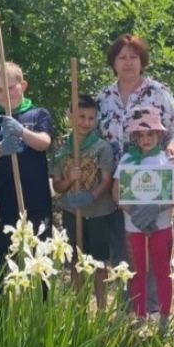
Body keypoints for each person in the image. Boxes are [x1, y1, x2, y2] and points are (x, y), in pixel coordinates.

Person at [96, 33, 174, 313]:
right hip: (117, 181)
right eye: (121, 57)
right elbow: (94, 136)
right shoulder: (103, 97)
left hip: (154, 179)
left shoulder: (158, 91)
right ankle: (131, 308)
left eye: (133, 57)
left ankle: (156, 308)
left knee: (156, 246)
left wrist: (171, 148)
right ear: (113, 63)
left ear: (142, 61)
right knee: (125, 248)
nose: (128, 62)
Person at [0, 61, 53, 278]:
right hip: (3, 203)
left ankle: (40, 309)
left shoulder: (38, 114)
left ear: (23, 85)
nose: (5, 94)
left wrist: (22, 132)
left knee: (39, 263)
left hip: (36, 201)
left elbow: (44, 142)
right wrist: (2, 148)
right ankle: (2, 311)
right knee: (2, 265)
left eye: (11, 87)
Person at [112, 109, 174, 331]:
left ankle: (163, 318)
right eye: (140, 135)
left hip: (161, 225)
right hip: (133, 226)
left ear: (159, 135)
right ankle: (140, 317)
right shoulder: (127, 159)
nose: (145, 139)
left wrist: (157, 208)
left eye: (150, 134)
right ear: (134, 137)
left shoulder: (167, 160)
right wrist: (133, 212)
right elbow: (116, 192)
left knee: (163, 271)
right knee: (138, 273)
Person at [50, 94, 115, 307]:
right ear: (70, 115)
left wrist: (90, 196)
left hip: (98, 213)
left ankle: (103, 308)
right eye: (81, 116)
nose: (86, 122)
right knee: (76, 261)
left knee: (98, 262)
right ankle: (79, 309)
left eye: (90, 118)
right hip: (72, 212)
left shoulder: (102, 147)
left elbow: (106, 180)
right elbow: (57, 186)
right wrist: (70, 180)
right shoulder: (61, 150)